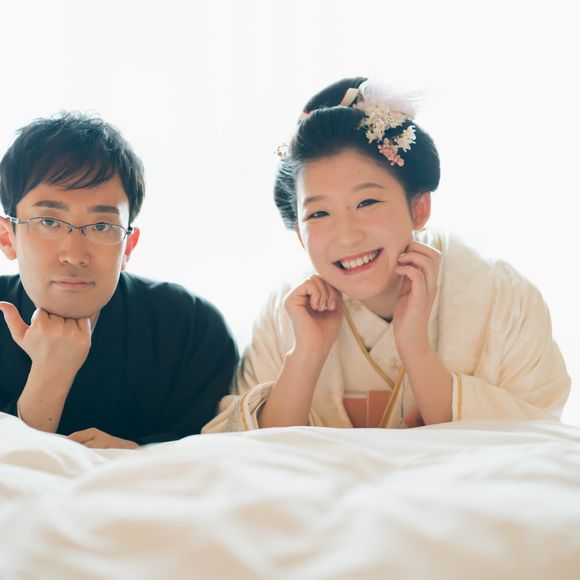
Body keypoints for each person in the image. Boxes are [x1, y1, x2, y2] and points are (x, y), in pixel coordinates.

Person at [204, 76, 570, 433]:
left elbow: (538, 441)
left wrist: (416, 350)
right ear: (300, 234)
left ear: (418, 208)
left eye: (366, 202)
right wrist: (306, 354)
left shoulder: (502, 297)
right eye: (319, 214)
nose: (347, 236)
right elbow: (246, 454)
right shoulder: (288, 314)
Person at [0, 112, 237, 447]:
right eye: (49, 222)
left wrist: (137, 457)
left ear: (129, 246)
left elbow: (216, 451)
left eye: (101, 226)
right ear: (7, 237)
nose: (74, 254)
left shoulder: (191, 327)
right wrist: (49, 376)